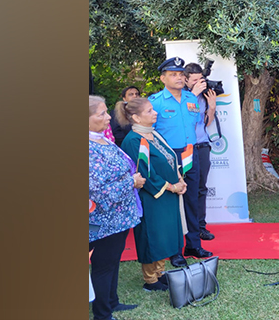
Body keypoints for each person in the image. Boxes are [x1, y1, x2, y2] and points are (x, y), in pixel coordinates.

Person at [148, 56, 213, 267]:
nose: (178, 77)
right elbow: (151, 134)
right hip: (168, 156)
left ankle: (193, 244)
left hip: (190, 153)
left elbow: (195, 125)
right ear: (162, 78)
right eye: (173, 74)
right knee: (172, 204)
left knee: (192, 200)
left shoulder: (191, 99)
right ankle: (175, 250)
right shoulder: (155, 102)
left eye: (180, 74)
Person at [117, 97, 187, 292]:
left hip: (169, 193)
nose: (155, 113)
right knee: (152, 235)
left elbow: (171, 158)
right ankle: (150, 279)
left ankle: (160, 273)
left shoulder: (154, 134)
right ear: (136, 118)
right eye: (149, 111)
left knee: (165, 235)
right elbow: (144, 173)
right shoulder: (133, 140)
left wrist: (180, 180)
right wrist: (171, 187)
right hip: (151, 196)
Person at [89, 95, 144, 319]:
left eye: (105, 112)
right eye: (101, 113)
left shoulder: (102, 139)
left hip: (120, 216)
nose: (107, 117)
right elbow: (100, 191)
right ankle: (102, 313)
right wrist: (132, 182)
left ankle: (112, 301)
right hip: (103, 219)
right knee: (103, 265)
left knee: (113, 261)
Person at [183, 63, 218, 242]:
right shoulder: (183, 97)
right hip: (186, 148)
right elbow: (187, 118)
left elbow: (205, 122)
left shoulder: (203, 97)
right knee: (188, 189)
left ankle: (201, 227)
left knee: (201, 189)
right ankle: (189, 229)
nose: (199, 83)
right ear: (186, 80)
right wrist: (194, 95)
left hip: (202, 145)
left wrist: (211, 107)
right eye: (195, 80)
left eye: (200, 79)